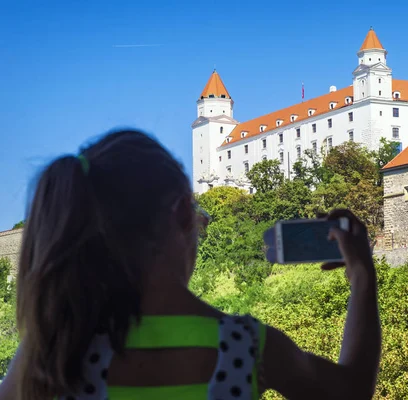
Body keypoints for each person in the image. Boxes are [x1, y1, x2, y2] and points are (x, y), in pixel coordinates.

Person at [0, 129, 381, 400]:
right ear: (183, 212)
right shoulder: (246, 346)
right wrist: (362, 277)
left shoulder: (56, 350)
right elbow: (352, 389)